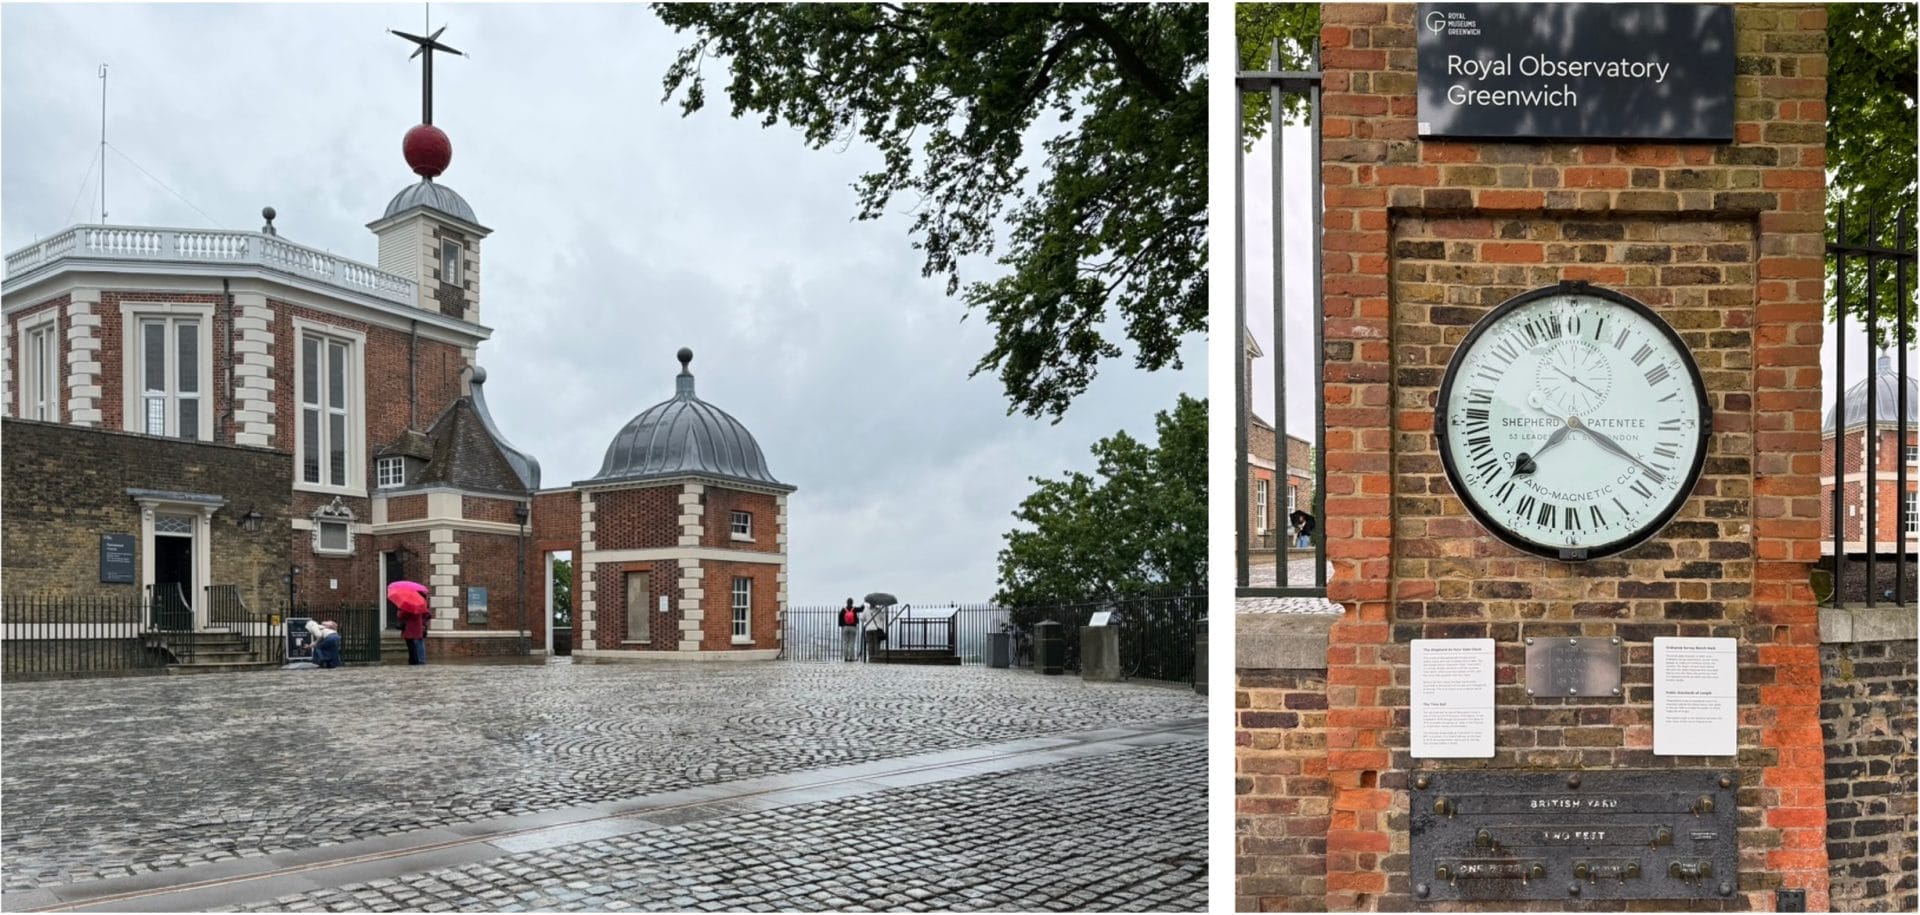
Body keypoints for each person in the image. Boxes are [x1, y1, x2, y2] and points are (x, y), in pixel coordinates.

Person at [397, 595, 431, 665]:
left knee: (412, 645)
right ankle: (420, 660)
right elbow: (427, 615)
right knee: (419, 643)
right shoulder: (422, 603)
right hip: (418, 628)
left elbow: (402, 615)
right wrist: (422, 622)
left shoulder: (409, 604)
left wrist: (399, 611)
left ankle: (414, 661)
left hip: (410, 628)